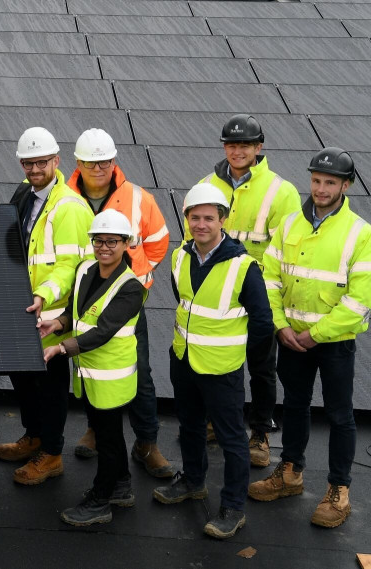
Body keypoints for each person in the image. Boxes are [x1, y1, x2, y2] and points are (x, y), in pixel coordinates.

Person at [248, 148, 371, 529]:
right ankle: (290, 473)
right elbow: (269, 277)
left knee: (340, 415)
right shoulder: (289, 226)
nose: (320, 188)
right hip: (290, 339)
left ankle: (339, 490)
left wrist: (315, 335)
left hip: (332, 342)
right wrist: (282, 326)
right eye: (316, 180)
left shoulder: (360, 233)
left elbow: (360, 299)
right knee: (296, 405)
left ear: (345, 186)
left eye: (330, 182)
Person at [153, 183, 273, 540]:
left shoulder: (244, 266)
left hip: (222, 369)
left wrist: (246, 361)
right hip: (184, 360)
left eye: (209, 217)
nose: (201, 224)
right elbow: (186, 302)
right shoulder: (180, 257)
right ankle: (193, 481)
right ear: (187, 219)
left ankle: (233, 508)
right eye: (194, 217)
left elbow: (263, 322)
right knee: (189, 427)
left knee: (232, 438)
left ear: (223, 220)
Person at [189, 115, 301, 466]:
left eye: (244, 145)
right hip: (216, 294)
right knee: (217, 359)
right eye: (231, 145)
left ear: (258, 147)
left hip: (257, 292)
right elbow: (195, 238)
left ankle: (260, 432)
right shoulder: (207, 184)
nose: (237, 151)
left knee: (262, 365)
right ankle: (218, 419)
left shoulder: (281, 191)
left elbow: (288, 249)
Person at [66, 129, 173, 478]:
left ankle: (147, 443)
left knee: (139, 374)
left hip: (126, 305)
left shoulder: (138, 198)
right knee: (90, 369)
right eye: (91, 162)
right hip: (84, 303)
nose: (99, 168)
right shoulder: (64, 199)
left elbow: (158, 242)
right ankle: (97, 430)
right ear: (78, 163)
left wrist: (136, 277)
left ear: (115, 161)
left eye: (105, 161)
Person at [0, 127, 93, 486]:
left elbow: (70, 267)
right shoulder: (26, 193)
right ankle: (33, 436)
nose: (35, 168)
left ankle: (51, 454)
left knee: (50, 388)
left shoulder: (69, 208)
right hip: (24, 309)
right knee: (25, 380)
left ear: (56, 161)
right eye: (28, 162)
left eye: (41, 162)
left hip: (50, 316)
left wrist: (44, 296)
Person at [42, 210, 145, 526]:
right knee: (107, 432)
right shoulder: (86, 268)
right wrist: (56, 323)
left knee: (108, 439)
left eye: (112, 241)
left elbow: (103, 330)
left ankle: (101, 501)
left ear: (125, 243)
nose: (104, 247)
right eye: (98, 240)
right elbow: (75, 306)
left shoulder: (131, 287)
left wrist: (62, 346)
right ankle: (122, 485)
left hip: (111, 377)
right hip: (90, 374)